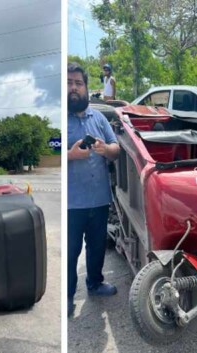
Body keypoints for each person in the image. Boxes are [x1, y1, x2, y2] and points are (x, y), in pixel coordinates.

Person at [67, 62, 120, 318]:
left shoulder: (98, 118)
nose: (73, 88)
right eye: (68, 83)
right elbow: (50, 154)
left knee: (97, 246)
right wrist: (70, 154)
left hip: (99, 199)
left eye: (78, 83)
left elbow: (116, 148)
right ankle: (67, 295)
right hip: (71, 203)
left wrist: (105, 150)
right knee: (71, 250)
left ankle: (95, 283)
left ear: (86, 87)